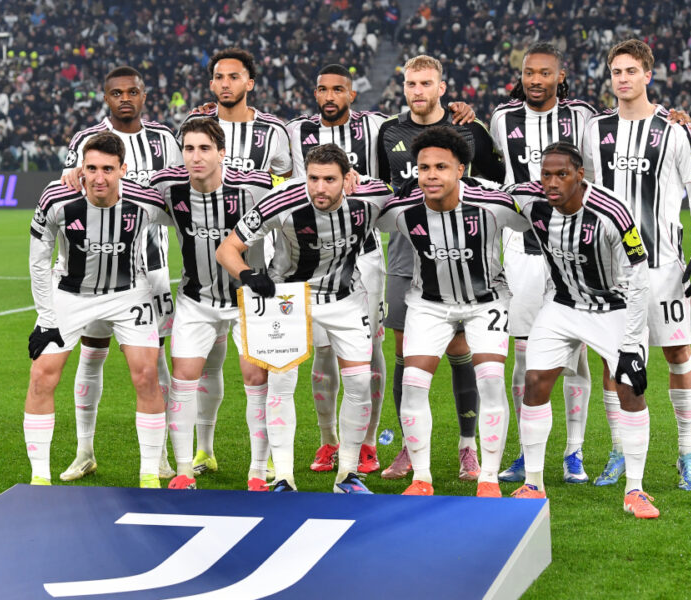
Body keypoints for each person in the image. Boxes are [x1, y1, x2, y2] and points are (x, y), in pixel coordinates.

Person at [216, 144, 393, 494]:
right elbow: (227, 249)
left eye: (329, 180)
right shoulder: (282, 200)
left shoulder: (371, 194)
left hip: (344, 297)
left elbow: (411, 196)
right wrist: (248, 274)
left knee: (359, 382)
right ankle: (284, 477)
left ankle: (347, 475)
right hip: (288, 298)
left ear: (348, 178)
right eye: (313, 178)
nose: (319, 188)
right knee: (281, 383)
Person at [583, 39, 691, 492]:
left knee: (678, 354)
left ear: (648, 75)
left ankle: (687, 454)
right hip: (612, 268)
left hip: (663, 266)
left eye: (631, 71)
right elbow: (588, 192)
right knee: (612, 360)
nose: (623, 79)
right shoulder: (595, 130)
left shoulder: (676, 130)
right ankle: (619, 449)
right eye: (616, 71)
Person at [503, 142, 658, 518]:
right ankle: (534, 484)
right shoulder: (530, 199)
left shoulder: (611, 211)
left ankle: (635, 490)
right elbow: (487, 195)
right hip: (562, 305)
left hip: (613, 308)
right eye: (546, 175)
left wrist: (632, 345)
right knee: (535, 380)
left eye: (562, 174)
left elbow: (639, 280)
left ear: (580, 175)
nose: (552, 183)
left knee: (629, 386)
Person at [375, 55, 505, 482]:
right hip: (404, 255)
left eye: (426, 83)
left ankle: (468, 446)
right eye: (411, 83)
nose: (417, 91)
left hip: (462, 256)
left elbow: (497, 179)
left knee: (460, 349)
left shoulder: (468, 128)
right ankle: (409, 448)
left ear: (442, 88)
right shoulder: (388, 132)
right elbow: (378, 187)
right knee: (405, 354)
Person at [377, 126, 525, 498]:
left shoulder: (491, 203)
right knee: (413, 385)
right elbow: (367, 212)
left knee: (490, 380)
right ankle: (421, 478)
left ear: (460, 169)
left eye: (441, 167)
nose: (431, 175)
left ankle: (488, 477)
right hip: (428, 304)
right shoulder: (402, 208)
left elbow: (531, 217)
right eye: (424, 167)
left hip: (486, 303)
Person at [25, 131, 170, 489]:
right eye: (91, 168)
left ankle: (149, 474)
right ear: (81, 169)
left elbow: (189, 221)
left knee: (146, 375)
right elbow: (38, 261)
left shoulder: (145, 201)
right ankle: (40, 477)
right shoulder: (56, 198)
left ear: (123, 169)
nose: (99, 178)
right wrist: (46, 317)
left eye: (108, 169)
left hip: (128, 292)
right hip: (70, 293)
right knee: (42, 374)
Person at [58, 66, 182, 483]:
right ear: (105, 97)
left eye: (132, 92)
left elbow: (180, 189)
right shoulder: (87, 140)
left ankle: (160, 456)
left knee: (155, 361)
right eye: (116, 93)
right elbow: (70, 187)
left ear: (144, 95)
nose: (124, 99)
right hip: (96, 272)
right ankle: (84, 451)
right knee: (92, 354)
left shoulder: (164, 139)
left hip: (152, 271)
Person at [149, 117, 280, 491]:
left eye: (205, 148)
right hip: (196, 299)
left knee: (256, 378)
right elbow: (124, 191)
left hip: (247, 299)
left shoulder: (254, 187)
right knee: (184, 377)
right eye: (189, 148)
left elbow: (297, 195)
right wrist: (76, 174)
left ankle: (258, 472)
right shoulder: (167, 187)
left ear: (222, 153)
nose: (196, 157)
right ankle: (184, 471)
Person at [489, 41, 596, 485]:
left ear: (560, 76)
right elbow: (493, 174)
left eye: (544, 73)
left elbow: (595, 173)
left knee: (576, 352)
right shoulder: (501, 118)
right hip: (522, 247)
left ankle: (574, 451)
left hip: (571, 246)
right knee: (523, 353)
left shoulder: (582, 116)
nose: (536, 80)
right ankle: (524, 450)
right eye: (529, 72)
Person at [286, 64, 390, 475]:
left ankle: (367, 442)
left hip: (365, 255)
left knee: (371, 350)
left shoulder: (377, 126)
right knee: (324, 350)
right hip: (315, 259)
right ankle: (329, 440)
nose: (330, 96)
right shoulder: (294, 131)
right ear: (315, 93)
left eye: (338, 90)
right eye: (323, 89)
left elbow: (416, 131)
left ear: (352, 94)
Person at [185, 47, 293, 177]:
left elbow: (285, 176)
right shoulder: (194, 122)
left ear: (249, 84)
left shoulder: (273, 130)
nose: (225, 84)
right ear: (212, 84)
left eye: (234, 77)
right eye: (219, 77)